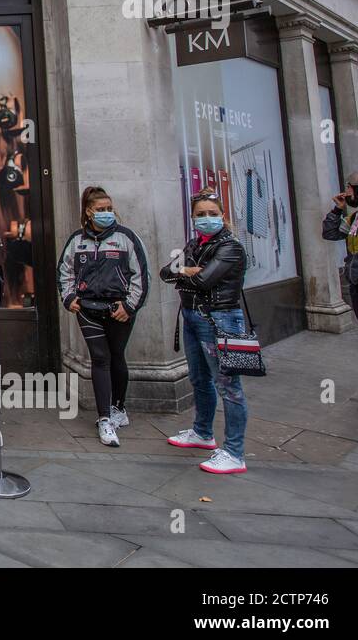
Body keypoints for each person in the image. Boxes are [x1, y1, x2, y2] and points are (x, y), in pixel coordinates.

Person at [161, 187, 251, 473]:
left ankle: (235, 452)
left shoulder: (230, 247)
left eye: (212, 214)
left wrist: (185, 272)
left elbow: (204, 281)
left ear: (223, 216)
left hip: (220, 320)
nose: (206, 218)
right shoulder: (194, 245)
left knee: (229, 387)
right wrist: (187, 271)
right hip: (192, 316)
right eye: (201, 214)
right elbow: (165, 272)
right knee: (200, 379)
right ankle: (202, 433)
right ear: (193, 217)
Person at [57, 185, 149, 447]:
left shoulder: (126, 238)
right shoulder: (77, 241)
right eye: (100, 209)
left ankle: (119, 407)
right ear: (88, 212)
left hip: (119, 310)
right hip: (88, 309)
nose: (106, 213)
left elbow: (140, 275)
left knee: (117, 356)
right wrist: (69, 298)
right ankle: (105, 418)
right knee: (100, 358)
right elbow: (65, 272)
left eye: (109, 209)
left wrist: (129, 306)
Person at [323, 170, 358, 413]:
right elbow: (331, 233)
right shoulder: (357, 217)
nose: (346, 193)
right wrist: (337, 210)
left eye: (350, 189)